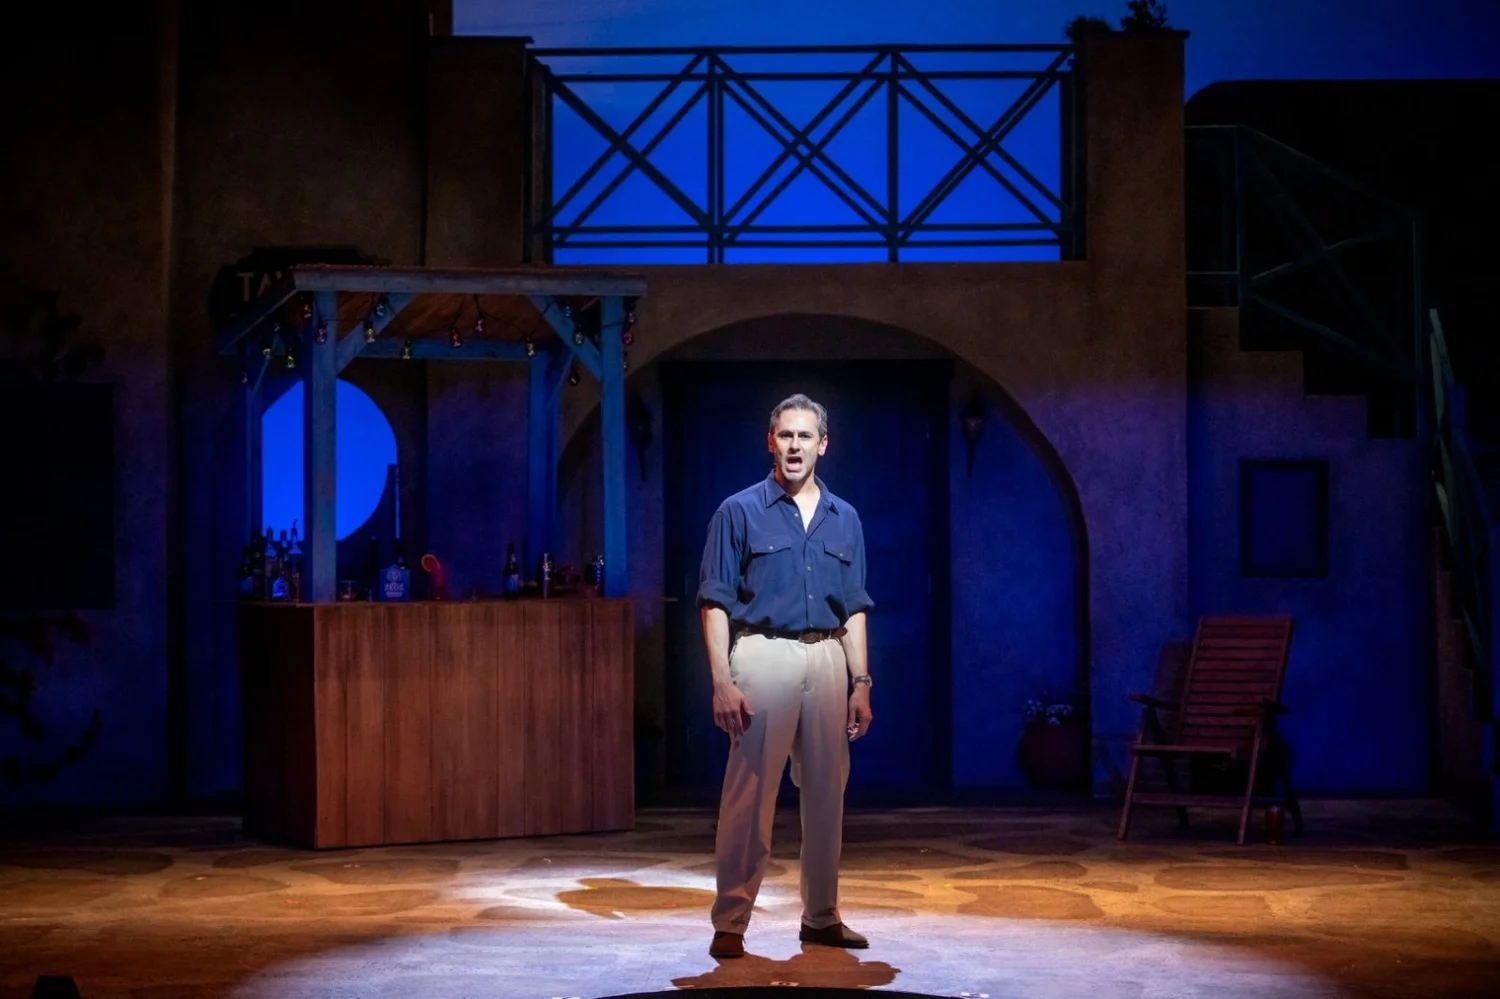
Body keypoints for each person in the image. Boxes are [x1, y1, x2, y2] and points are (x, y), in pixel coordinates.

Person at [696, 392, 874, 960]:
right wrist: (722, 680)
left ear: (824, 445)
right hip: (763, 655)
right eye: (786, 435)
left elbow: (854, 607)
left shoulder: (845, 518)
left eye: (806, 436)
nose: (795, 446)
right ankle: (731, 920)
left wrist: (861, 682)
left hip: (827, 658)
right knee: (749, 796)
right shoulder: (738, 511)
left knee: (827, 795)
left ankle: (821, 916)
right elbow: (715, 601)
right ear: (770, 442)